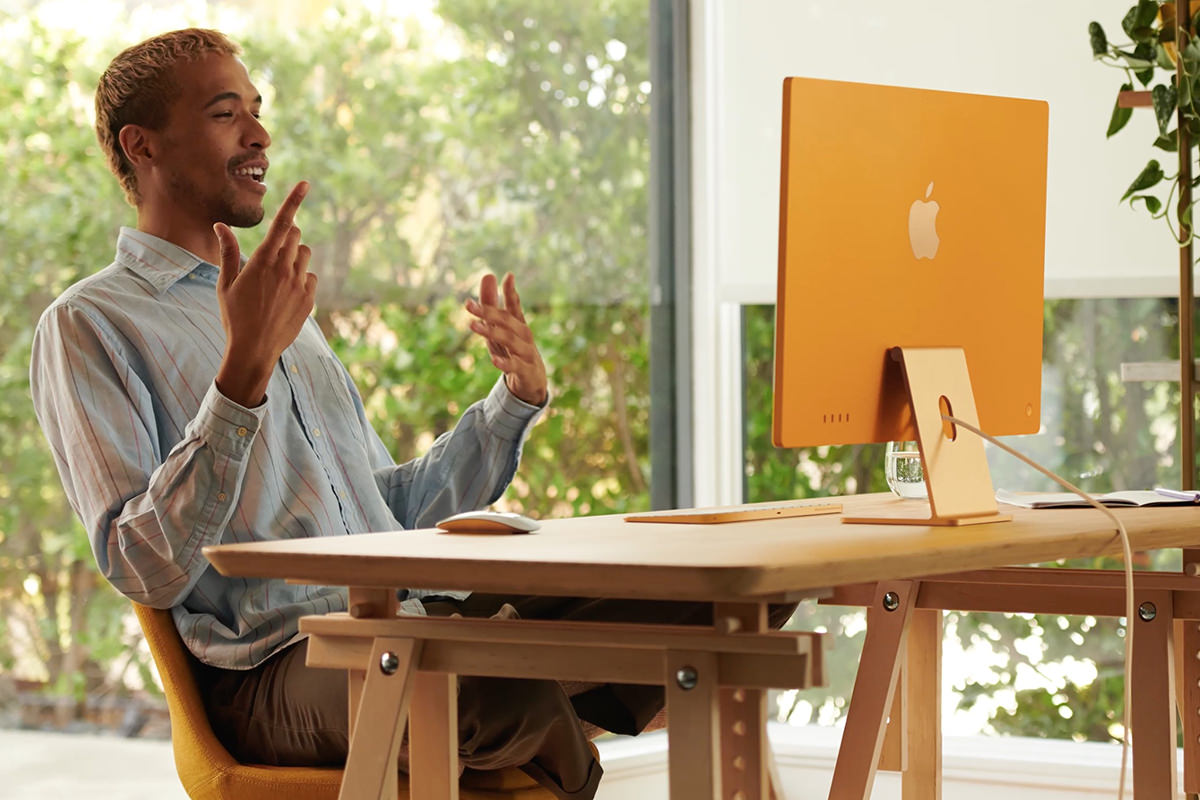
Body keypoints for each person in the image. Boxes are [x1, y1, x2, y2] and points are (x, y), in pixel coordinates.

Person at [31, 27, 794, 799]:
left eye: (258, 110)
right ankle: (535, 693)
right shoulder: (89, 324)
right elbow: (141, 565)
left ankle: (524, 677)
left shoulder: (277, 304)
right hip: (274, 666)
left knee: (716, 593)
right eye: (227, 113)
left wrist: (512, 404)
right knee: (493, 689)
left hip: (405, 612)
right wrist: (242, 380)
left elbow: (385, 516)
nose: (260, 133)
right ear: (144, 146)